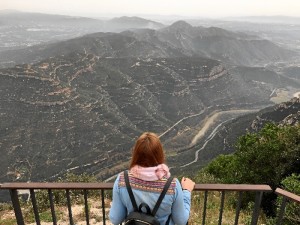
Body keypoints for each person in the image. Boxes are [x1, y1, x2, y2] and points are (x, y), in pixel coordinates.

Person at [109, 132, 195, 225]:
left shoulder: (122, 180)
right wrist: (186, 191)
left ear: (135, 154)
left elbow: (115, 219)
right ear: (160, 154)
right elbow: (181, 221)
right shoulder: (172, 185)